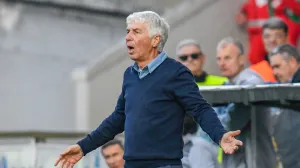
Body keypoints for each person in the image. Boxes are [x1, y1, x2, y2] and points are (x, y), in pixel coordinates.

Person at [54, 11, 243, 168]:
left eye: (136, 31)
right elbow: (118, 119)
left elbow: (200, 109)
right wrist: (83, 147)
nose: (128, 37)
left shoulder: (176, 72)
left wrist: (220, 135)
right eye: (128, 31)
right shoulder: (130, 74)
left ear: (155, 40)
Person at [215, 37, 265, 168]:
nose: (222, 63)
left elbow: (231, 124)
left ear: (242, 59)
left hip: (253, 160)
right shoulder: (227, 84)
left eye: (227, 58)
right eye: (219, 59)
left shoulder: (251, 83)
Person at [236, 0, 300, 64]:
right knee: (256, 59)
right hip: (258, 39)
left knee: (284, 59)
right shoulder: (250, 4)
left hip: (278, 37)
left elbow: (295, 16)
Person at [249, 17, 289, 83]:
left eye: (278, 36)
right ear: (262, 39)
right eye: (267, 36)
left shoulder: (295, 68)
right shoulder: (254, 71)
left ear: (286, 38)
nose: (272, 40)